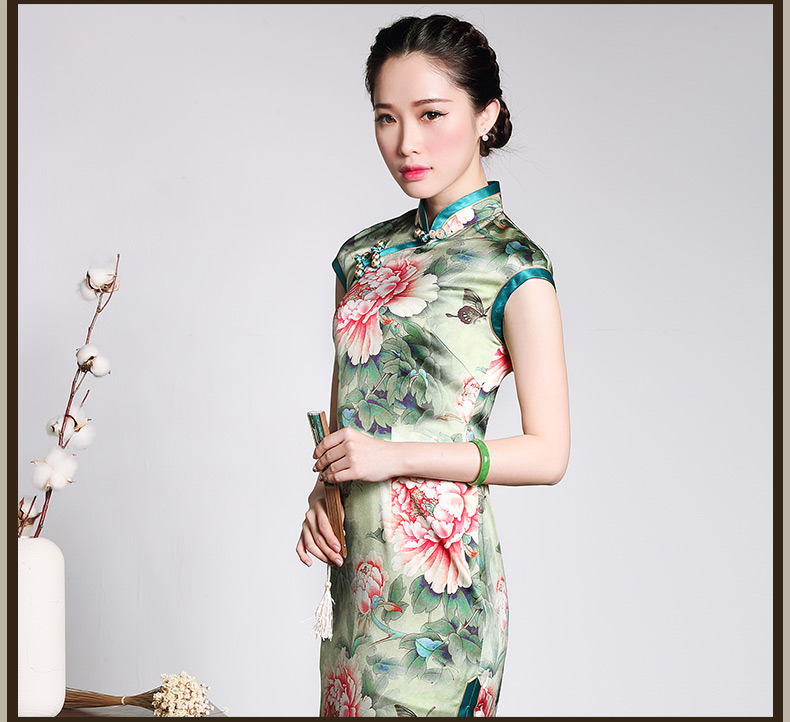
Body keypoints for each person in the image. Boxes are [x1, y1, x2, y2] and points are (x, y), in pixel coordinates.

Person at [296, 13, 570, 717]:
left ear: (487, 115)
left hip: (440, 583)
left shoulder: (513, 266)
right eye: (386, 118)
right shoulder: (361, 257)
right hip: (357, 575)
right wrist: (324, 491)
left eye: (431, 114)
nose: (406, 143)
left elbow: (549, 454)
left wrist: (392, 457)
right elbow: (348, 417)